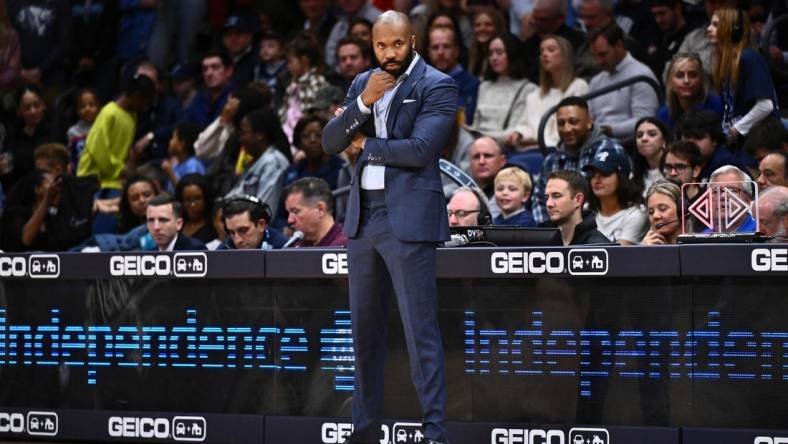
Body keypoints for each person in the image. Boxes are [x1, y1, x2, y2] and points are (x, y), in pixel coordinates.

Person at [321, 11, 456, 444]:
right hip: (363, 220)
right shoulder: (364, 83)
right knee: (363, 333)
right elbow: (329, 142)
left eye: (397, 45)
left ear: (412, 41)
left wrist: (365, 144)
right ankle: (364, 431)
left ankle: (434, 432)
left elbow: (418, 151)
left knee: (420, 334)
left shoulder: (437, 85)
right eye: (382, 46)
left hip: (408, 219)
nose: (389, 54)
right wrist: (362, 105)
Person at [531, 96, 628, 224]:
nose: (567, 129)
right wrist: (549, 231)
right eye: (561, 123)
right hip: (557, 233)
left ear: (589, 122)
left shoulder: (609, 150)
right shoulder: (551, 160)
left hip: (598, 227)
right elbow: (539, 199)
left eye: (573, 122)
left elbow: (609, 196)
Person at [708, 8, 780, 144]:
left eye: (716, 25)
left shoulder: (749, 58)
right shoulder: (727, 63)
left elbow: (765, 105)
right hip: (741, 141)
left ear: (733, 29)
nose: (708, 29)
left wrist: (734, 130)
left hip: (762, 141)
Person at [506, 35, 589, 149]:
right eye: (542, 51)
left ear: (565, 56)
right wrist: (518, 134)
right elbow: (525, 125)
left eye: (551, 50)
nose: (544, 55)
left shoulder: (578, 86)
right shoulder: (535, 94)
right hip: (530, 148)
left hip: (559, 150)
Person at [77, 74, 155, 192]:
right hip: (93, 179)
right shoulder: (109, 112)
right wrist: (119, 171)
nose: (145, 107)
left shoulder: (132, 117)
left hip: (114, 180)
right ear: (136, 96)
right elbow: (98, 149)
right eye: (145, 103)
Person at [587, 24, 659, 145]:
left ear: (619, 45)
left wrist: (609, 130)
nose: (598, 61)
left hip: (629, 147)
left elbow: (645, 122)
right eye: (595, 56)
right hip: (596, 144)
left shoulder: (641, 75)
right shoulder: (596, 81)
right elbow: (589, 118)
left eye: (603, 54)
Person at [469, 33, 535, 145]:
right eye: (490, 53)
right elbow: (476, 124)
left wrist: (481, 137)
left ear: (512, 54)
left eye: (499, 53)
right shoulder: (484, 86)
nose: (494, 58)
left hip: (502, 146)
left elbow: (514, 131)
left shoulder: (528, 89)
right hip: (477, 142)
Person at [225, 108, 291, 220]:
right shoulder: (254, 161)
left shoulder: (273, 162)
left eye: (243, 133)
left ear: (260, 135)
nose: (240, 139)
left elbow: (265, 209)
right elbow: (234, 196)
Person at [583, 148, 649, 244]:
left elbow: (617, 255)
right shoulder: (586, 210)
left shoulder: (635, 215)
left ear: (622, 179)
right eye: (593, 175)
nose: (596, 180)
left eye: (605, 174)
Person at [0, 85, 55, 189]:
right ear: (19, 111)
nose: (33, 111)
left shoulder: (54, 129)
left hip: (48, 188)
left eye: (37, 105)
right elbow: (6, 162)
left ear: (43, 105)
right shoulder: (13, 134)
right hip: (18, 191)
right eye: (27, 108)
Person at [279, 32, 330, 142]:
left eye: (290, 61)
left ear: (304, 60)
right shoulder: (292, 85)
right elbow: (284, 116)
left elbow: (319, 118)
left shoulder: (318, 83)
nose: (288, 66)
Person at [519, 0, 585, 83]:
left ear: (560, 19)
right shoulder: (529, 44)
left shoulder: (578, 41)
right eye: (535, 18)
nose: (536, 23)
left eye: (542, 20)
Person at [542, 170, 610, 245]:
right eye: (546, 197)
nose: (549, 204)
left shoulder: (599, 246)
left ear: (578, 199)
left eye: (556, 196)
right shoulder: (538, 240)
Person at [427, 25, 479, 124]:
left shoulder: (471, 84)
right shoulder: (419, 82)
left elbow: (464, 120)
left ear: (456, 51)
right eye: (435, 47)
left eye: (446, 46)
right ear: (429, 52)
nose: (440, 52)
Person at [675, 110, 743, 183]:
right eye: (687, 137)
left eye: (698, 137)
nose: (691, 142)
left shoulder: (727, 167)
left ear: (714, 140)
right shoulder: (677, 161)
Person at [657, 53, 722, 129]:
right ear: (670, 82)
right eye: (680, 76)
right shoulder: (664, 115)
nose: (686, 81)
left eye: (693, 75)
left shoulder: (718, 105)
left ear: (701, 80)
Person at [283, 177, 348, 247]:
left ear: (320, 209)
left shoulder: (346, 248)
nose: (290, 220)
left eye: (296, 212)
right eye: (288, 213)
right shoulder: (296, 247)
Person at [183, 51, 235, 130]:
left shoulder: (236, 97)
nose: (209, 73)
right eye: (205, 69)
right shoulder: (199, 98)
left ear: (229, 71)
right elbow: (185, 126)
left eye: (215, 67)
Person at [217, 195, 287, 250]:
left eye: (243, 230)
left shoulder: (283, 248)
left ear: (261, 225)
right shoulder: (227, 246)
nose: (237, 240)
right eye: (231, 232)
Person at [646, 0, 692, 78]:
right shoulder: (654, 33)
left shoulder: (691, 38)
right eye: (655, 15)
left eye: (662, 13)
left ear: (677, 8)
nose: (658, 20)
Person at [469, 137, 507, 218]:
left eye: (488, 156)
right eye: (476, 157)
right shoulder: (461, 192)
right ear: (469, 162)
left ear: (503, 160)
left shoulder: (514, 192)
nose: (481, 161)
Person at [162, 121, 205, 192]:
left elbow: (188, 194)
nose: (170, 142)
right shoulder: (175, 165)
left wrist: (170, 173)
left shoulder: (193, 165)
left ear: (181, 144)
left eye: (173, 138)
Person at [175, 173, 217, 244]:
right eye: (187, 200)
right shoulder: (176, 225)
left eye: (198, 199)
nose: (192, 205)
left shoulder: (215, 226)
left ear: (206, 198)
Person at [632, 117, 669, 197]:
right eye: (639, 135)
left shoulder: (674, 171)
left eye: (652, 134)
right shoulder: (632, 176)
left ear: (664, 141)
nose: (644, 139)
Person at [66, 88, 101, 170]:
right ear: (77, 110)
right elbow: (72, 156)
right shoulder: (73, 132)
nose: (87, 109)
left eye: (92, 105)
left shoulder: (104, 126)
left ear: (99, 107)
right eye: (83, 106)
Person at [641, 179, 682, 245]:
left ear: (680, 209)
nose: (655, 216)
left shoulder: (700, 243)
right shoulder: (648, 244)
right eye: (651, 212)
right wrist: (643, 252)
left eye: (663, 209)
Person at [468, 7, 507, 77]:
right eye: (478, 25)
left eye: (488, 24)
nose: (482, 28)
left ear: (497, 27)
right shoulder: (471, 55)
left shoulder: (506, 54)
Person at [222, 14, 258, 88]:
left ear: (249, 36)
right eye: (229, 34)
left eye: (238, 33)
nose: (233, 39)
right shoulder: (218, 58)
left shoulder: (259, 59)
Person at [253, 31, 288, 102]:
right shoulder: (258, 68)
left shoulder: (287, 69)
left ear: (282, 51)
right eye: (262, 46)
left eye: (270, 46)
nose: (265, 50)